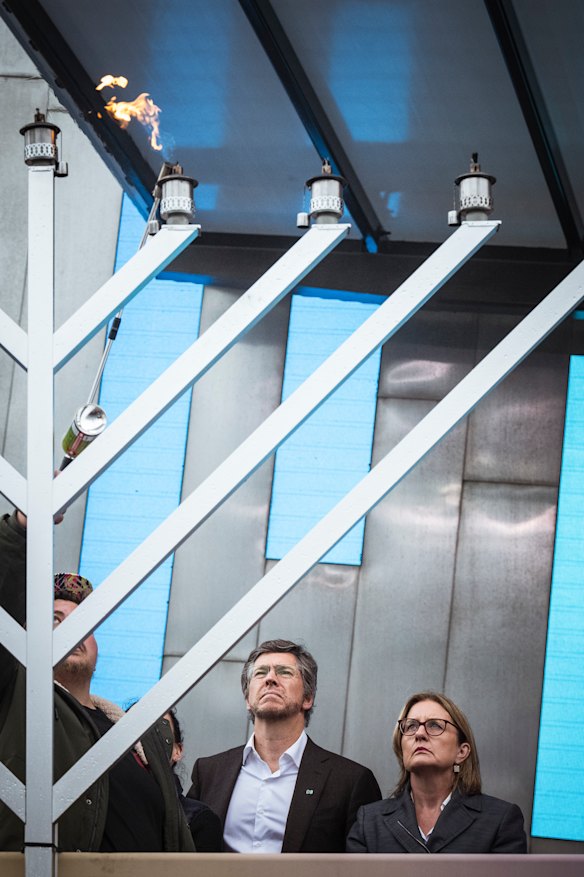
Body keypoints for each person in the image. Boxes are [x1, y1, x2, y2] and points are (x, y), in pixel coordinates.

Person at [0, 508, 195, 852]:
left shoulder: (139, 738)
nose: (71, 630)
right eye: (55, 619)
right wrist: (21, 530)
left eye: (83, 624)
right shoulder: (18, 702)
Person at [188, 638, 381, 852]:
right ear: (247, 700)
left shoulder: (350, 781)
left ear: (307, 697)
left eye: (284, 672)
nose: (270, 678)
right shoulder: (209, 772)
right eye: (261, 672)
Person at [346, 690, 527, 854]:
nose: (419, 734)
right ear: (402, 750)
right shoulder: (369, 821)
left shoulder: (500, 820)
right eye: (411, 726)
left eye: (434, 726)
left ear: (461, 752)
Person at [162, 708, 222, 852]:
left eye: (160, 729)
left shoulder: (198, 820)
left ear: (177, 751)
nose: (143, 741)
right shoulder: (102, 804)